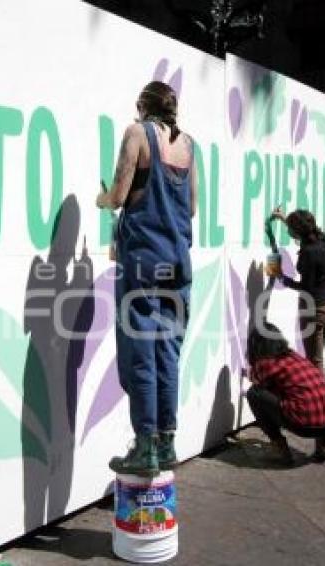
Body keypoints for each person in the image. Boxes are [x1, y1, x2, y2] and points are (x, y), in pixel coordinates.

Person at [95, 81, 197, 476]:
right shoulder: (190, 145)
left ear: (141, 106)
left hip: (143, 261)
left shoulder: (137, 133)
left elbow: (118, 196)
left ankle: (146, 446)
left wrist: (102, 199)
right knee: (167, 352)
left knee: (140, 352)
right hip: (178, 260)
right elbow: (191, 207)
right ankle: (167, 442)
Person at [246, 322, 325, 465]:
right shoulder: (294, 356)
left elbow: (255, 380)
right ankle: (322, 447)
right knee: (313, 399)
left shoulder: (265, 363)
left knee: (254, 394)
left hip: (306, 424)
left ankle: (280, 450)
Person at [269, 207, 325, 374]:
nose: (288, 231)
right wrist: (284, 218)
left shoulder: (308, 253)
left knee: (315, 363)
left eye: (289, 228)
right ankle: (320, 396)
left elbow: (306, 287)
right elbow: (303, 232)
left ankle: (320, 399)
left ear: (296, 231)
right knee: (317, 358)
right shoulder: (321, 239)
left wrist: (283, 278)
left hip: (315, 311)